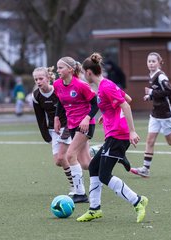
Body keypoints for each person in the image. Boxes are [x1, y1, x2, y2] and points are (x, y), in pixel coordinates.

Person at [76, 52, 148, 223]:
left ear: (88, 72)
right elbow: (126, 97)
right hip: (113, 134)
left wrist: (132, 131)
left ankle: (137, 201)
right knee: (94, 167)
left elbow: (126, 104)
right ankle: (94, 209)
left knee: (104, 175)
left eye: (83, 73)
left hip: (119, 134)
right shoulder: (104, 86)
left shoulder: (105, 86)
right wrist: (107, 113)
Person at [53, 56, 99, 203]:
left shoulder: (81, 85)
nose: (57, 70)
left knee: (70, 155)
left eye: (61, 67)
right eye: (57, 67)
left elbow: (96, 103)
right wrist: (57, 118)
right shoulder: (57, 84)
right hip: (71, 125)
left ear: (70, 70)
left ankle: (80, 193)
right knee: (85, 163)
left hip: (85, 125)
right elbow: (60, 102)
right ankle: (107, 157)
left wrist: (87, 118)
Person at [32, 66, 74, 195]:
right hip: (53, 130)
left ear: (48, 78)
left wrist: (68, 127)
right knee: (58, 161)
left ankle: (75, 186)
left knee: (63, 157)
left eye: (41, 78)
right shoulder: (36, 96)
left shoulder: (58, 90)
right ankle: (85, 151)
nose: (38, 81)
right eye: (36, 79)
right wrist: (46, 136)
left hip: (67, 125)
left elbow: (70, 109)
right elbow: (40, 118)